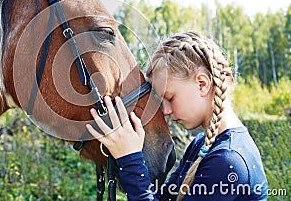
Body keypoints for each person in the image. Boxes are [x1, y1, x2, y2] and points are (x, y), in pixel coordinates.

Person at [86, 31, 268, 200]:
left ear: (202, 84)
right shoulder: (200, 145)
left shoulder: (228, 160)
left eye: (170, 98)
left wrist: (130, 159)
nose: (165, 111)